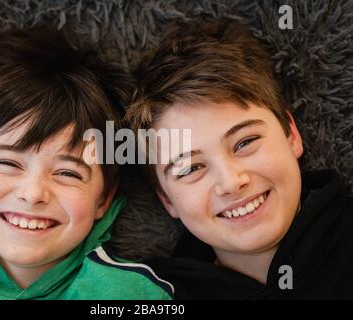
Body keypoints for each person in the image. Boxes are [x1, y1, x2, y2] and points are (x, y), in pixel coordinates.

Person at [0, 27, 173, 300]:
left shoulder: (135, 296)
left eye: (67, 172)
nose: (32, 194)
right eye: (8, 163)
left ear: (103, 199)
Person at [125, 18, 353, 299]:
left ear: (291, 134)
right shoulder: (149, 295)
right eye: (191, 168)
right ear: (167, 200)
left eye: (245, 142)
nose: (231, 183)